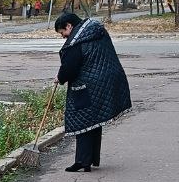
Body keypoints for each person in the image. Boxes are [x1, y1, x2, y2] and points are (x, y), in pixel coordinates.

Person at [54, 11, 131, 171]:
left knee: (83, 120)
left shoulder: (76, 42)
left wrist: (60, 78)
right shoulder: (96, 30)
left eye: (63, 33)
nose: (63, 37)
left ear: (69, 26)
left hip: (88, 85)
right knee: (94, 121)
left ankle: (82, 162)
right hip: (107, 80)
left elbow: (70, 68)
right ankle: (90, 159)